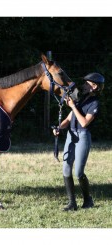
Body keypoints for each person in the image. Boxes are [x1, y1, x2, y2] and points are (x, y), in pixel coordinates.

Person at [53, 72, 105, 211]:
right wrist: (59, 127)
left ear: (94, 87)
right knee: (66, 168)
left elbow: (84, 123)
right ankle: (72, 203)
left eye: (86, 83)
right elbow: (69, 119)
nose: (83, 85)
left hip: (83, 136)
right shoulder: (80, 99)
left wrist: (73, 106)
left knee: (79, 172)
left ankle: (88, 200)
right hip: (71, 135)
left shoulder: (95, 103)